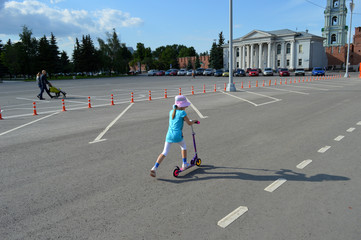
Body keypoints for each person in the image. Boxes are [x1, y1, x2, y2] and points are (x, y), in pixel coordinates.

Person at [150, 95, 198, 177]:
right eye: (185, 105)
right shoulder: (183, 112)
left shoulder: (171, 112)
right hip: (177, 135)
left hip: (169, 135)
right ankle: (184, 163)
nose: (186, 106)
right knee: (183, 147)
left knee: (164, 152)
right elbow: (189, 123)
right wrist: (194, 121)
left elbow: (177, 122)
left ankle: (154, 167)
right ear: (182, 105)